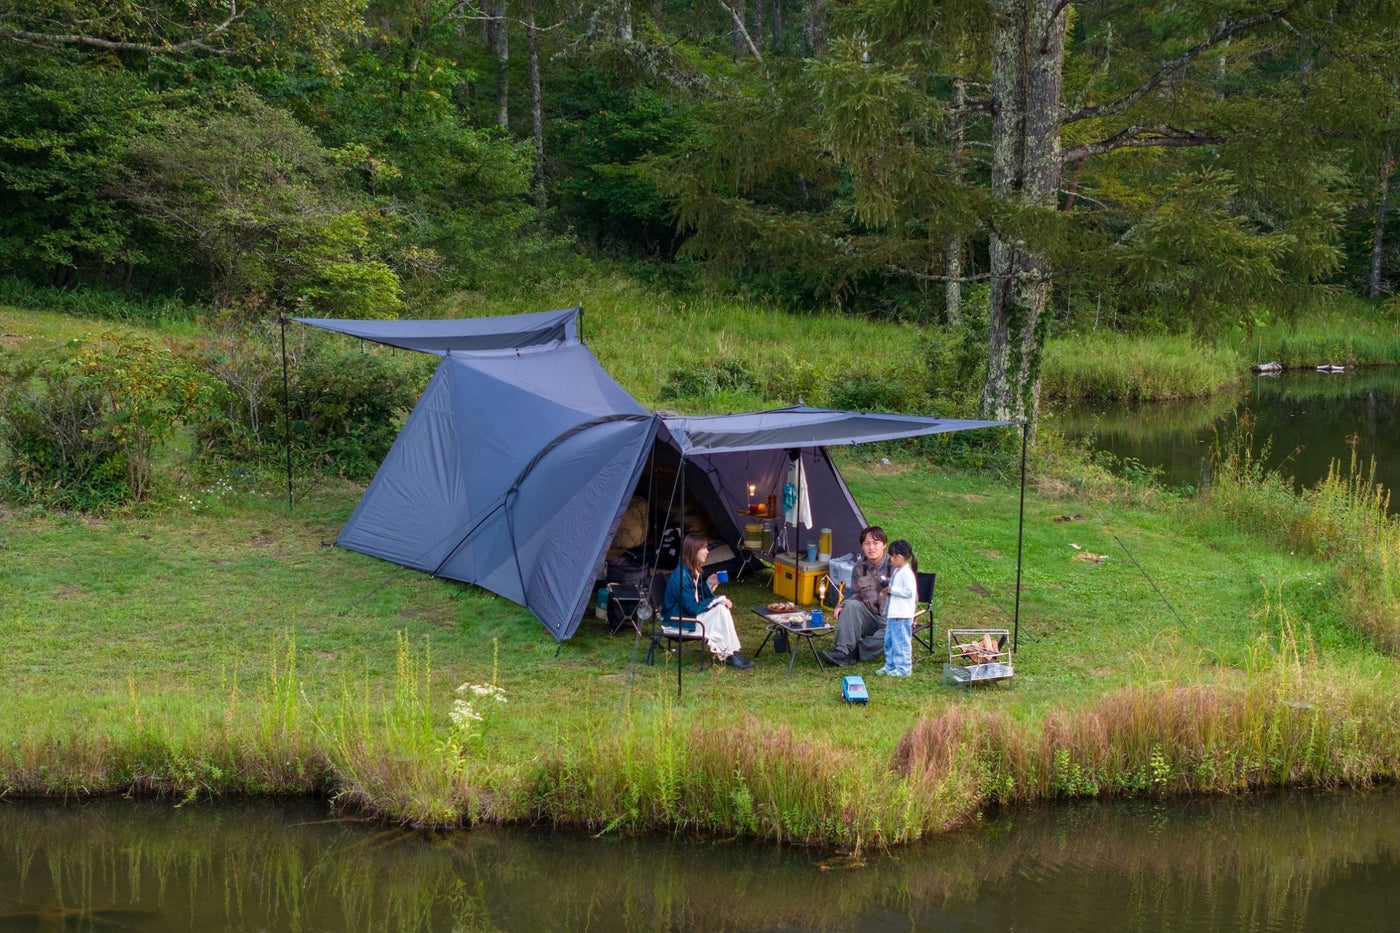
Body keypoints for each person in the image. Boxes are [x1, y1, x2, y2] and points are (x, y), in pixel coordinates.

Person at [662, 533, 754, 668]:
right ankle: (730, 654)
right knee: (720, 609)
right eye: (704, 548)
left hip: (685, 615)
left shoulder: (690, 570)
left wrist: (710, 583)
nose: (707, 551)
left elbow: (698, 596)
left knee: (721, 609)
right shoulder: (682, 575)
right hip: (676, 621)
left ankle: (732, 652)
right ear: (694, 550)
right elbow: (692, 607)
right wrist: (719, 599)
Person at [818, 526, 890, 668]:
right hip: (870, 617)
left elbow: (912, 596)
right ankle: (841, 651)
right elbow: (855, 594)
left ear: (884, 545)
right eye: (867, 543)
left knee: (892, 634)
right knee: (851, 605)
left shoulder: (895, 566)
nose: (871, 548)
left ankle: (854, 654)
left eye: (876, 543)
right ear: (862, 546)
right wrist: (841, 605)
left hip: (892, 620)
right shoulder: (859, 567)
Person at [875, 540, 917, 677]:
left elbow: (909, 592)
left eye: (892, 557)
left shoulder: (907, 573)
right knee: (890, 641)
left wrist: (892, 589)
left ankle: (904, 668)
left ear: (899, 557)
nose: (891, 560)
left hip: (902, 615)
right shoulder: (898, 571)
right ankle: (890, 665)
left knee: (901, 642)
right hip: (894, 614)